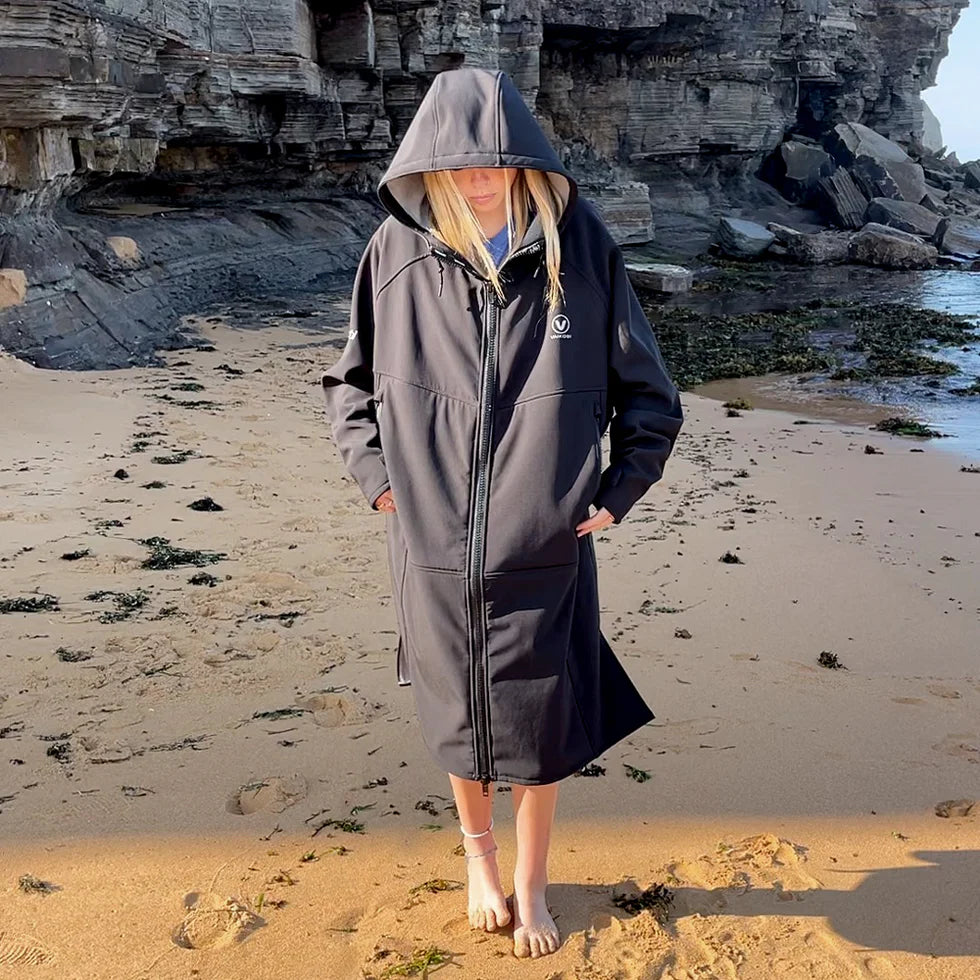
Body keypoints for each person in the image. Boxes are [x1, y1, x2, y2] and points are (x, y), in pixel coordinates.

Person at [321, 66, 684, 959]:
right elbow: (349, 386)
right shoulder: (394, 255)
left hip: (545, 537)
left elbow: (650, 391)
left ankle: (531, 880)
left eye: (493, 162)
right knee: (457, 708)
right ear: (430, 165)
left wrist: (618, 490)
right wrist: (380, 482)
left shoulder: (580, 245)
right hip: (432, 539)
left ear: (522, 161)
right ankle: (478, 859)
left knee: (540, 716)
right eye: (458, 163)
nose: (477, 178)